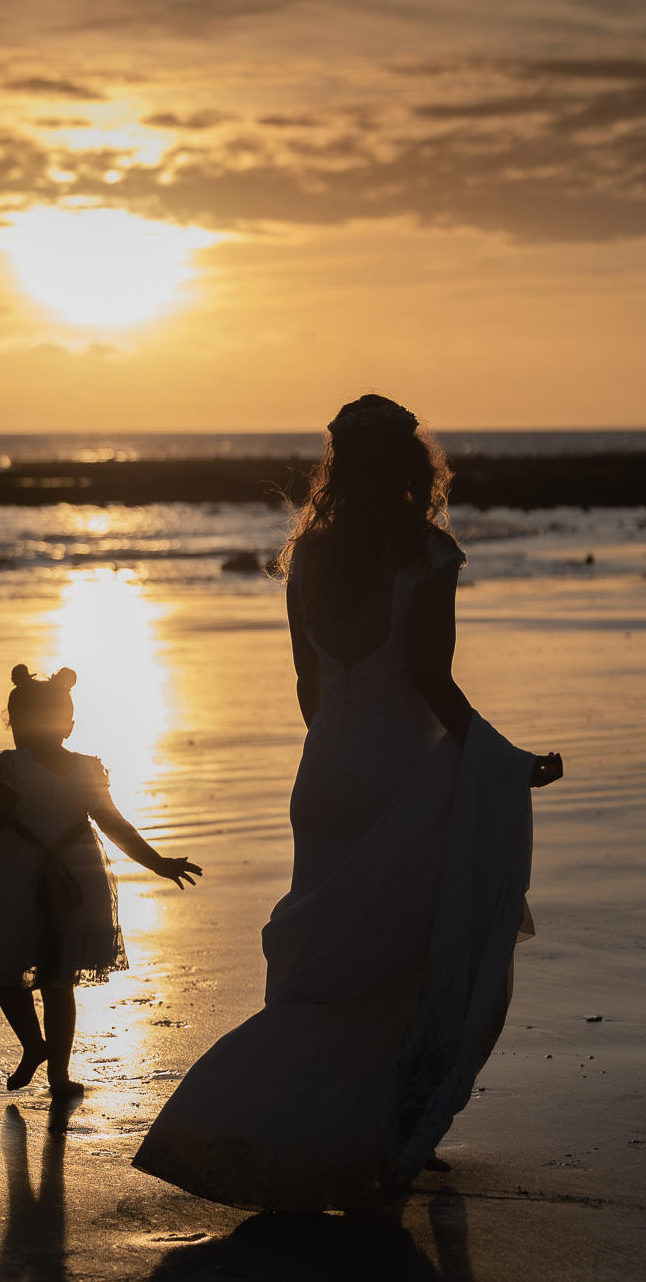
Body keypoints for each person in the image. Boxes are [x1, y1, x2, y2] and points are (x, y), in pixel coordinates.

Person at [133, 394, 563, 1212]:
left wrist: (334, 755)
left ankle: (325, 1125)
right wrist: (504, 763)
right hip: (400, 774)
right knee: (407, 955)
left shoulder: (311, 556)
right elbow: (432, 682)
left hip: (322, 775)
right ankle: (387, 1126)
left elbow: (310, 686)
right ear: (411, 466)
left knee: (326, 959)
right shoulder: (428, 554)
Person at [0, 664, 201, 1097]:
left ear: (19, 724)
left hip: (19, 873)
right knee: (56, 981)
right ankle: (47, 1061)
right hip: (71, 873)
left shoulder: (15, 766)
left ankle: (43, 1056)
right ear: (67, 724)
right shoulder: (65, 767)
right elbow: (113, 825)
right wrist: (156, 862)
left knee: (18, 971)